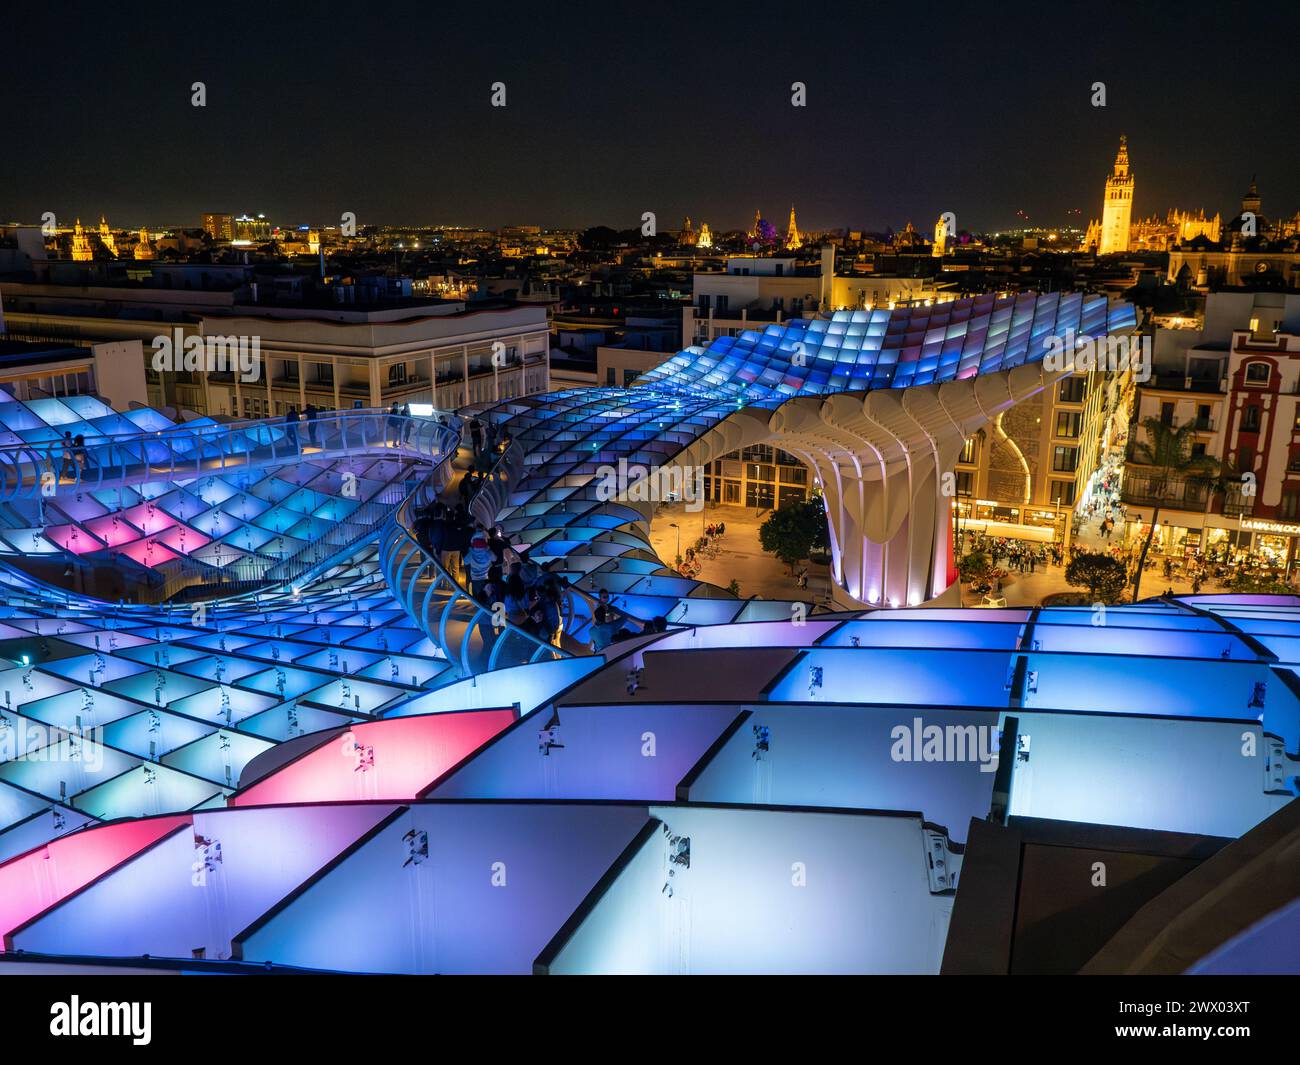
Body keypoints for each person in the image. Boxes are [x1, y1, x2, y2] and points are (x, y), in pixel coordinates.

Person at [466, 529, 493, 602]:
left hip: (475, 579)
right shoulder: (488, 552)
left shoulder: (471, 553)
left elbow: (465, 561)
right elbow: (495, 558)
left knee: (477, 597)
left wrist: (471, 550)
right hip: (486, 578)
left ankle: (478, 610)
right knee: (487, 595)